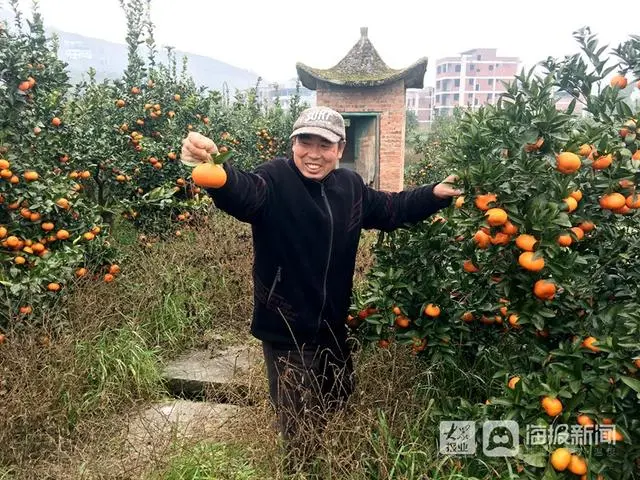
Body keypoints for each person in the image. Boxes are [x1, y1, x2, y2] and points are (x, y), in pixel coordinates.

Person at [180, 106, 461, 460]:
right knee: (298, 427)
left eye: (324, 145)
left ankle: (330, 459)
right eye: (305, 142)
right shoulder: (275, 179)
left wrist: (435, 193)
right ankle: (301, 467)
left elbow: (392, 209)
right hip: (287, 328)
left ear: (339, 150)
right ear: (292, 143)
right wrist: (217, 171)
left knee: (338, 398)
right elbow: (245, 192)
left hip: (332, 325)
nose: (314, 154)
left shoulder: (350, 185)